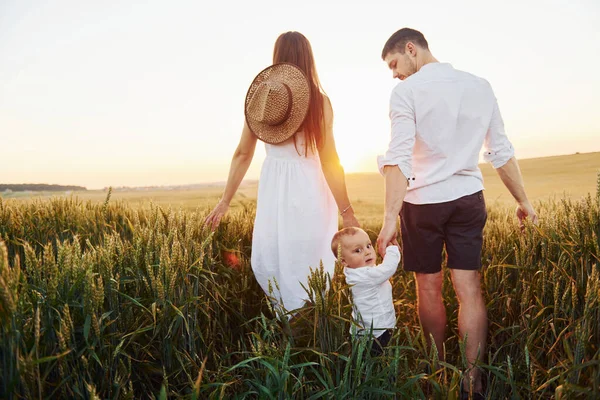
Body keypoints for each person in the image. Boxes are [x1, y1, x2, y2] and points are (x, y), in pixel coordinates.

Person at [375, 28, 538, 398]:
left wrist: (389, 220)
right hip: (467, 198)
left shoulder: (406, 92)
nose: (395, 73)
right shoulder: (480, 85)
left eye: (394, 63)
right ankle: (472, 383)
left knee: (428, 288)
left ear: (411, 49)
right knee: (470, 290)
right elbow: (500, 150)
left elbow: (399, 157)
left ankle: (437, 376)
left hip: (422, 205)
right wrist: (523, 201)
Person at [205, 31, 359, 315]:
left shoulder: (261, 99)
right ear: (308, 58)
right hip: (311, 185)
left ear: (276, 58)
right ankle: (311, 325)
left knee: (277, 256)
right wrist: (346, 210)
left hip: (275, 188)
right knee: (310, 259)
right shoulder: (320, 102)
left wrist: (225, 200)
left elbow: (242, 153)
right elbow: (330, 160)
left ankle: (286, 325)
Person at [331, 227, 400, 355]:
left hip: (364, 330)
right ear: (344, 261)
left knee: (365, 361)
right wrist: (392, 249)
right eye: (358, 250)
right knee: (381, 359)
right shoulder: (366, 276)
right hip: (377, 331)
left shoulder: (352, 272)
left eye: (368, 246)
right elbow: (388, 268)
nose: (367, 252)